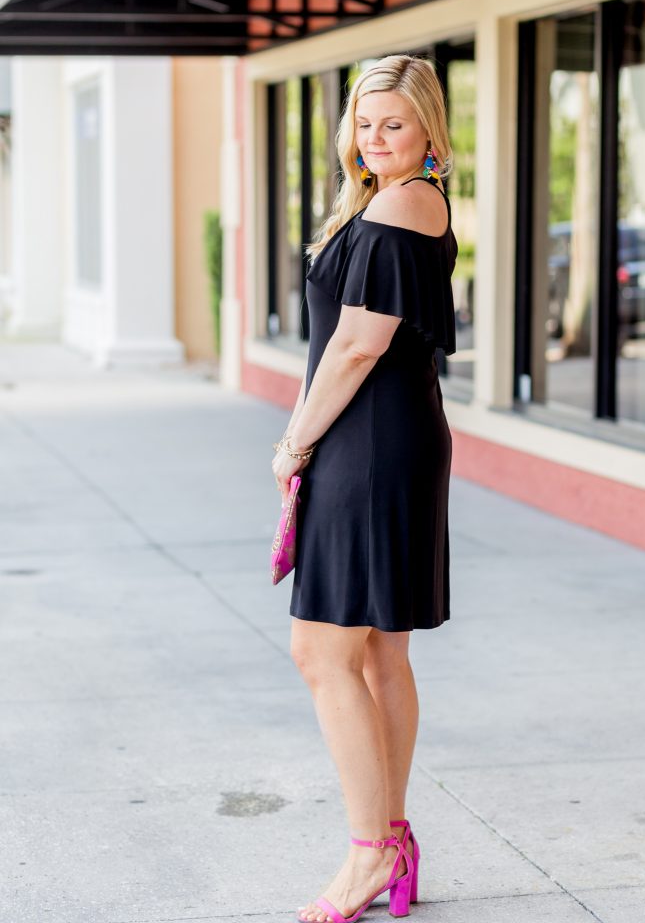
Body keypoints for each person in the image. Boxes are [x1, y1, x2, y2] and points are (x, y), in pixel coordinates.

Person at [271, 54, 458, 923]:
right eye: (364, 122)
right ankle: (392, 838)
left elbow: (356, 347)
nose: (375, 138)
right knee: (379, 653)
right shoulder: (389, 200)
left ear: (429, 130)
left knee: (325, 652)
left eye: (394, 123)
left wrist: (293, 442)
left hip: (370, 447)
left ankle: (370, 853)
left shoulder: (397, 207)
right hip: (385, 440)